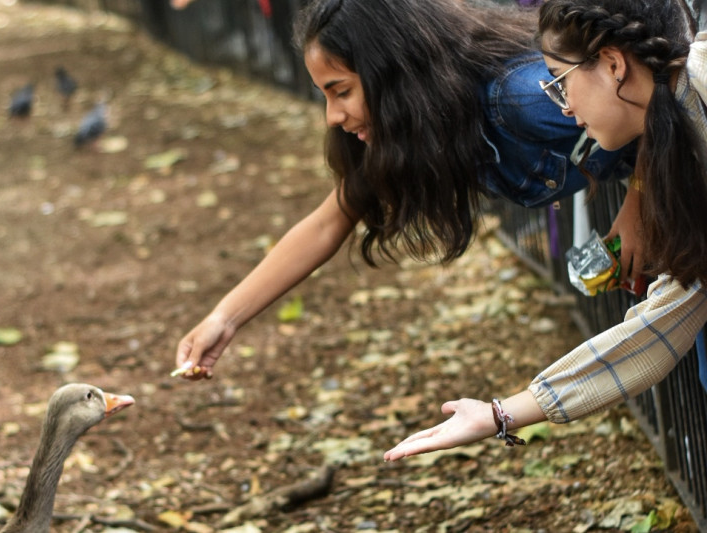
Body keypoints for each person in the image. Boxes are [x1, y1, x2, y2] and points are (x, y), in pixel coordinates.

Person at [173, 1, 640, 387]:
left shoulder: (521, 97)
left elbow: (659, 102)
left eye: (341, 91)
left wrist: (640, 203)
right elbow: (327, 222)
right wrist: (224, 318)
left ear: (392, 74)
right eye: (325, 96)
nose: (332, 116)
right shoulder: (423, 129)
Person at [384, 0, 707, 460]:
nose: (566, 107)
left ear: (613, 65)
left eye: (560, 81)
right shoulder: (682, 140)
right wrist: (499, 414)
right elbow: (662, 324)